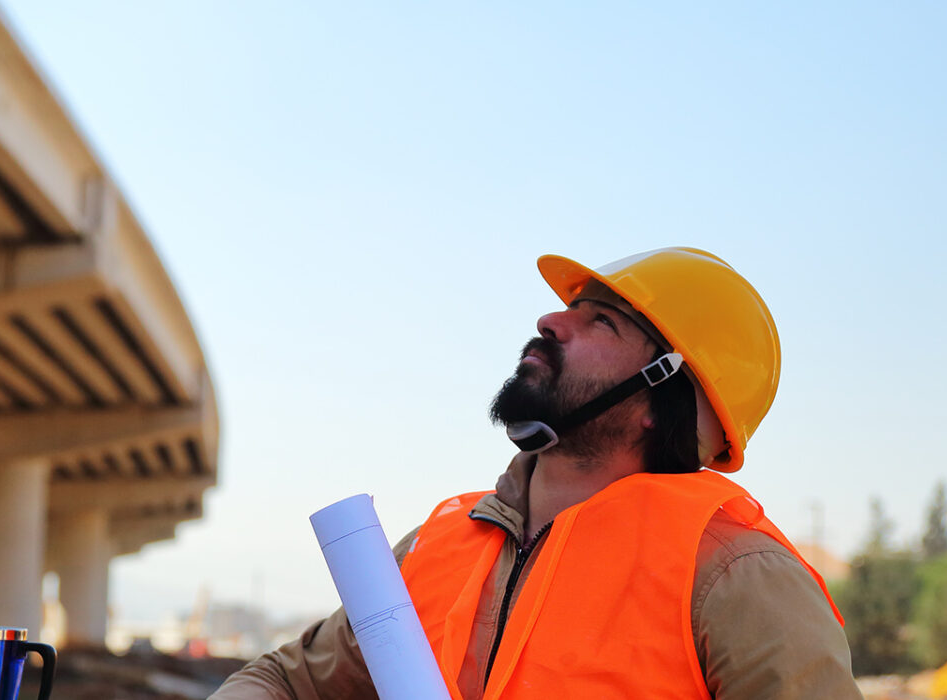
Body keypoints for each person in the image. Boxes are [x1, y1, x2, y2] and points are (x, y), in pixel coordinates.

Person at [212, 248, 860, 699]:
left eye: (600, 320)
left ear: (661, 397)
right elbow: (289, 684)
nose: (551, 321)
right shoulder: (437, 547)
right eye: (567, 310)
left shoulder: (735, 576)